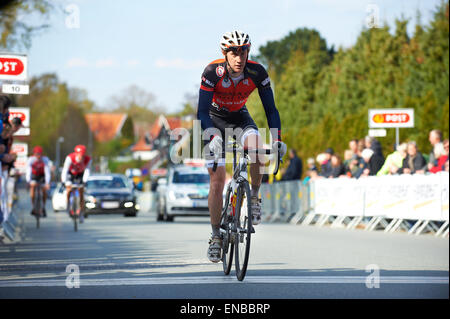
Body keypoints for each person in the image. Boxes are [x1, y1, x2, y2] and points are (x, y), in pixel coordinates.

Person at [197, 30, 286, 263]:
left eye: (243, 51)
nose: (239, 57)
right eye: (234, 52)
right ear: (224, 54)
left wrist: (277, 140)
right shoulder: (211, 72)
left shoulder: (257, 72)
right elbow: (201, 111)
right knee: (217, 180)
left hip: (240, 118)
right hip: (213, 120)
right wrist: (211, 135)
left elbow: (271, 110)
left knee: (257, 148)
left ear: (248, 51)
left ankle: (254, 197)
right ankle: (216, 236)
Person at [61, 145, 92, 223]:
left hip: (80, 175)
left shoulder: (88, 159)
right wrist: (63, 181)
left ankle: (81, 213)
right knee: (68, 190)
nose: (81, 157)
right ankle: (68, 205)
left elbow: (87, 170)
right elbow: (65, 170)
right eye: (80, 155)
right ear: (76, 154)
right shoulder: (70, 158)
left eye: (83, 155)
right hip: (70, 174)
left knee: (81, 194)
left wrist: (85, 181)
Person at [25, 146, 51, 217]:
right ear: (34, 154)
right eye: (36, 154)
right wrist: (28, 181)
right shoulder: (31, 159)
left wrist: (47, 183)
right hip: (34, 175)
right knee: (33, 187)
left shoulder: (45, 159)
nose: (38, 156)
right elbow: (28, 171)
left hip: (42, 176)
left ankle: (43, 207)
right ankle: (34, 207)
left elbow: (47, 172)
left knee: (44, 190)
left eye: (39, 154)